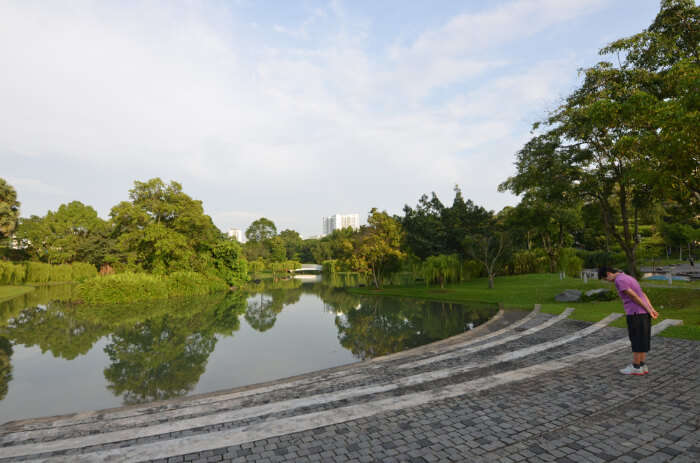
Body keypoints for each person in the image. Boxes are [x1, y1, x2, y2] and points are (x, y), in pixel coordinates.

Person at [598, 267, 659, 376]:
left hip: (635, 313)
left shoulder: (619, 280)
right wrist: (651, 309)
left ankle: (636, 367)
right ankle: (642, 365)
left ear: (608, 273)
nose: (608, 281)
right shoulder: (628, 277)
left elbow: (634, 296)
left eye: (605, 279)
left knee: (636, 339)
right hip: (643, 313)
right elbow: (642, 294)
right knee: (642, 338)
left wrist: (649, 309)